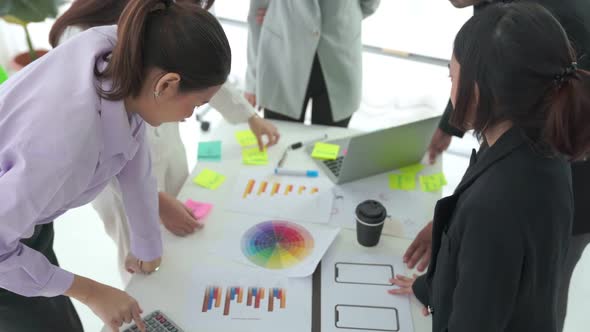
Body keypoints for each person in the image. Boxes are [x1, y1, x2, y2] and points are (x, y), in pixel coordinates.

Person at [0, 0, 232, 330]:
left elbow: (135, 163)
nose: (189, 116)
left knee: (51, 300)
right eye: (196, 104)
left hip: (18, 217)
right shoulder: (65, 142)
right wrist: (93, 293)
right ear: (166, 85)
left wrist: (147, 245)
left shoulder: (126, 57)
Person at [49, 0, 280, 285]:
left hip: (162, 147)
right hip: (116, 183)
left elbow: (200, 71)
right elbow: (102, 151)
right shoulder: (85, 41)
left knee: (178, 243)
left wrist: (248, 115)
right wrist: (154, 202)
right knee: (143, 266)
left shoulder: (162, 23)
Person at [390, 3, 590, 331]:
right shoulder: (535, 148)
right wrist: (428, 287)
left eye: (452, 77)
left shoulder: (496, 205)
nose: (450, 90)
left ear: (479, 90)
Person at [244, 0, 380, 128]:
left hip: (339, 61)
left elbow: (369, 4)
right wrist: (253, 79)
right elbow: (257, 13)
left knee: (329, 148)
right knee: (281, 142)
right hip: (282, 62)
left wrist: (346, 17)